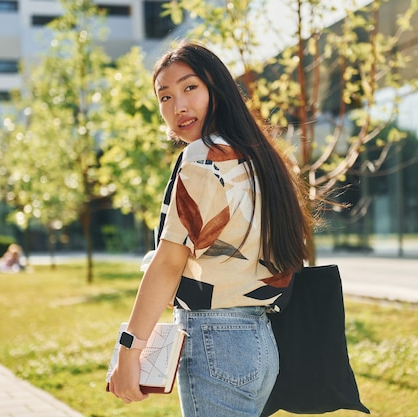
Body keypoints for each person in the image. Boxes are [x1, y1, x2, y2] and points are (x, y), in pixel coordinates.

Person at [107, 40, 313, 417]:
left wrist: (128, 350)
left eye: (190, 88)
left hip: (216, 341)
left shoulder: (202, 157)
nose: (178, 106)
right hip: (258, 340)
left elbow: (169, 263)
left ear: (215, 88)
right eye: (164, 97)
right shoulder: (259, 155)